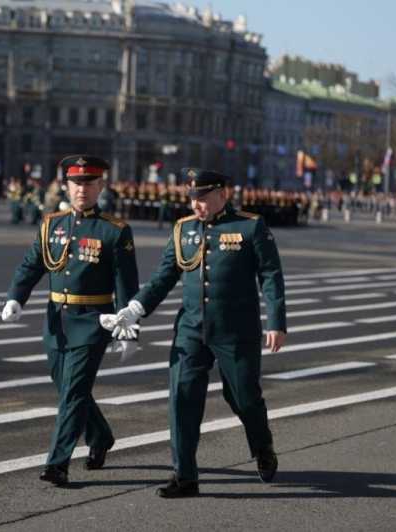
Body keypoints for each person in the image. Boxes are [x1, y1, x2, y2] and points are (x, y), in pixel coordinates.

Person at [105, 167, 287, 498]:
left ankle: (263, 447)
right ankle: (185, 475)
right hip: (191, 328)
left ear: (223, 194)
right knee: (182, 398)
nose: (196, 206)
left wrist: (276, 321)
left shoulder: (250, 225)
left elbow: (271, 275)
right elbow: (163, 277)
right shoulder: (182, 230)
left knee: (244, 397)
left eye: (202, 199)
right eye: (192, 199)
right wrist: (134, 309)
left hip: (236, 330)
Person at [1, 154, 140, 486]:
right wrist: (15, 297)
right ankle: (101, 436)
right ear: (66, 186)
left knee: (74, 392)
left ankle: (58, 463)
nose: (82, 190)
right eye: (77, 183)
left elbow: (126, 285)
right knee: (67, 387)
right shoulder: (52, 223)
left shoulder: (115, 231)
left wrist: (128, 328)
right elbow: (32, 264)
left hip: (94, 321)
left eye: (89, 183)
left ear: (101, 186)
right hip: (56, 321)